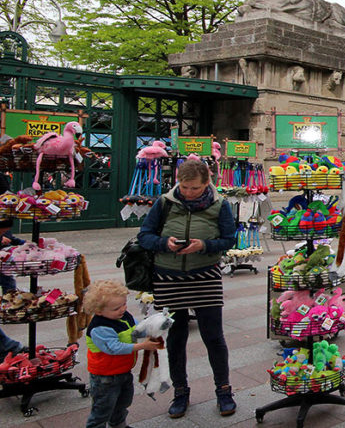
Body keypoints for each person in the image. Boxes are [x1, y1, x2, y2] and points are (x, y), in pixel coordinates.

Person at [137, 159, 237, 418]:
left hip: (205, 275)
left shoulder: (220, 205)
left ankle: (224, 391)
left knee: (213, 336)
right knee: (176, 336)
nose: (189, 193)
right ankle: (180, 392)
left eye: (194, 188)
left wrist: (203, 245)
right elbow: (144, 236)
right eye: (184, 187)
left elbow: (229, 239)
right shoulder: (164, 203)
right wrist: (164, 243)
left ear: (207, 184)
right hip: (168, 277)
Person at [84, 279, 164, 428]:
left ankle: (118, 425)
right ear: (99, 310)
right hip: (105, 376)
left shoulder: (123, 316)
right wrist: (142, 346)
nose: (122, 309)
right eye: (116, 308)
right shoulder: (100, 327)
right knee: (102, 409)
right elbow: (114, 348)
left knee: (122, 403)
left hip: (123, 371)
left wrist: (153, 330)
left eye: (124, 304)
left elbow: (136, 329)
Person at [0, 217, 24, 293]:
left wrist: (25, 243)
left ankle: (8, 301)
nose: (4, 232)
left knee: (9, 283)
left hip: (5, 263)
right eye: (3, 231)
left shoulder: (6, 232)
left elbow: (12, 239)